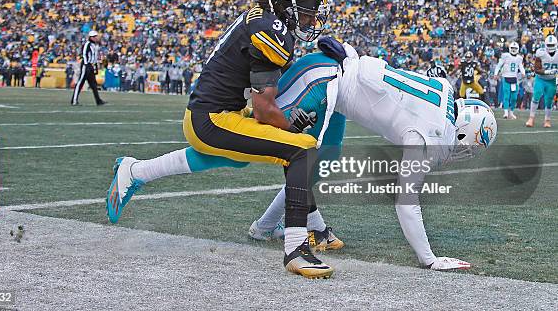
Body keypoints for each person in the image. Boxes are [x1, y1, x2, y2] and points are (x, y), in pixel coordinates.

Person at [104, 37, 498, 272]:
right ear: (462, 130)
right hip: (324, 81)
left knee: (318, 160)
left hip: (336, 81)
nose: (464, 152)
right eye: (469, 144)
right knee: (244, 150)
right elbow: (406, 203)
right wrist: (428, 258)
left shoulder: (446, 94)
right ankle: (137, 171)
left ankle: (267, 225)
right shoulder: (427, 135)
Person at [107, 0, 333, 279]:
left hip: (218, 114)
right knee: (301, 149)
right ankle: (296, 246)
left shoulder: (265, 17)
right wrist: (290, 128)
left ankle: (135, 171)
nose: (311, 22)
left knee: (253, 157)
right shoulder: (272, 33)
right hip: (213, 119)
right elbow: (265, 110)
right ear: (286, 6)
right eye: (306, 15)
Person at [526, 35, 557, 128]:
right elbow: (536, 69)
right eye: (549, 45)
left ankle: (547, 120)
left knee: (549, 100)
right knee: (536, 97)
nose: (550, 47)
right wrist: (547, 71)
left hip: (552, 80)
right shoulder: (541, 52)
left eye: (552, 45)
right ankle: (531, 118)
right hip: (541, 79)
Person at [71, 30, 105, 106]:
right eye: (95, 36)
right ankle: (74, 100)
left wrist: (95, 65)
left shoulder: (96, 45)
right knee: (80, 83)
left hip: (91, 65)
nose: (96, 38)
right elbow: (84, 54)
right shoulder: (88, 44)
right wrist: (86, 65)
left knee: (93, 84)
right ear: (91, 37)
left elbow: (95, 56)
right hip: (86, 65)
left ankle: (98, 100)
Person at [494, 41, 525, 119]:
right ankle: (505, 112)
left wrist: (523, 72)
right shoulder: (505, 56)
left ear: (517, 49)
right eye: (512, 48)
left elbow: (520, 66)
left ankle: (511, 112)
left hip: (514, 79)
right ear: (509, 48)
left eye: (515, 48)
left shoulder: (519, 58)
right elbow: (499, 65)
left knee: (514, 97)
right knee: (506, 96)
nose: (514, 49)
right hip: (506, 77)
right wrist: (495, 73)